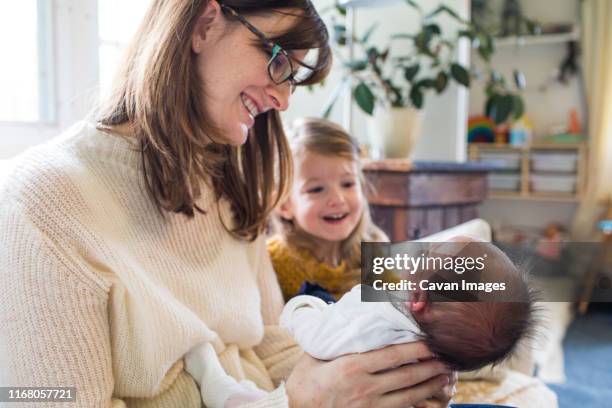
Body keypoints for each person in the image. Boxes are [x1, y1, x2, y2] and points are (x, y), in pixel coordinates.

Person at [0, 1, 455, 407]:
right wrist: (299, 403)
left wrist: (388, 378)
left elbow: (270, 341)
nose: (282, 99)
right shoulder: (40, 202)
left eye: (293, 77)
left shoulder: (229, 186)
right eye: (279, 60)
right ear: (204, 25)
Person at [280, 239, 537, 373]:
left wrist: (301, 308)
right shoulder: (443, 345)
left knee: (313, 295)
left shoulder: (372, 320)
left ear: (417, 298)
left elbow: (317, 339)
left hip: (329, 318)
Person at [267, 117, 389, 301]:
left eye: (348, 184)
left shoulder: (375, 251)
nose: (337, 199)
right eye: (316, 189)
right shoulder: (272, 263)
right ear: (284, 205)